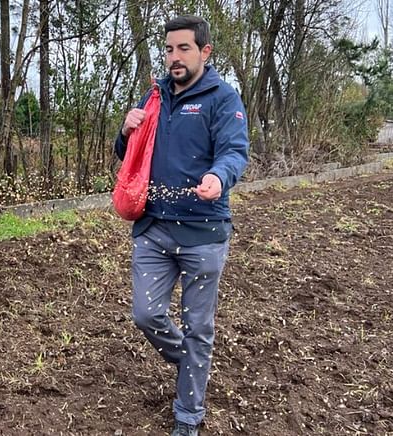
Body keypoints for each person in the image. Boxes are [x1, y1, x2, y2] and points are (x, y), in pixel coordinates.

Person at [114, 16, 249, 436]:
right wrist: (125, 129)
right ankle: (192, 360)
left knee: (198, 326)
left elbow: (235, 151)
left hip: (203, 231)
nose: (174, 57)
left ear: (205, 52)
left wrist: (219, 177)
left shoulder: (222, 99)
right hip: (153, 227)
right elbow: (126, 153)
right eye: (169, 49)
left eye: (183, 49)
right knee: (146, 313)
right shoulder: (155, 96)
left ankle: (188, 417)